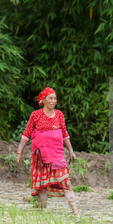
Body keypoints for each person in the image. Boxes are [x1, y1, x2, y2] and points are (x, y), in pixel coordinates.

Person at [16, 87, 80, 217]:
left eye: (55, 98)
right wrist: (19, 152)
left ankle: (76, 212)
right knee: (42, 185)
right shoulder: (35, 115)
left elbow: (65, 134)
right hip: (40, 157)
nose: (53, 101)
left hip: (57, 156)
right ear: (43, 100)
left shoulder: (59, 115)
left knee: (65, 182)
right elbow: (26, 134)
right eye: (51, 98)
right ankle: (43, 214)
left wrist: (71, 151)